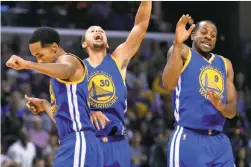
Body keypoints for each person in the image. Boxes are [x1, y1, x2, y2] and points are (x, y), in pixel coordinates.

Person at [6, 27, 104, 167]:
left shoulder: (68, 59)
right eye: (35, 57)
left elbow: (66, 70)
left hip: (79, 140)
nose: (39, 61)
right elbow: (64, 119)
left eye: (40, 55)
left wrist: (27, 64)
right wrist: (46, 105)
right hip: (72, 141)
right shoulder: (57, 77)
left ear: (54, 47)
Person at [81, 1, 152, 166]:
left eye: (101, 31)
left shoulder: (117, 60)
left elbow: (140, 26)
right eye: (92, 31)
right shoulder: (77, 67)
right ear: (84, 43)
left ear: (106, 42)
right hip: (90, 142)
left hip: (117, 142)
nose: (98, 31)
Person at [162, 14, 237, 166]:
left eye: (213, 35)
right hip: (189, 137)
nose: (208, 36)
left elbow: (232, 111)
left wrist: (221, 107)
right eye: (204, 32)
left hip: (219, 141)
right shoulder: (182, 51)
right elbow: (168, 84)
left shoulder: (225, 64)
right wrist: (177, 43)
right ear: (193, 35)